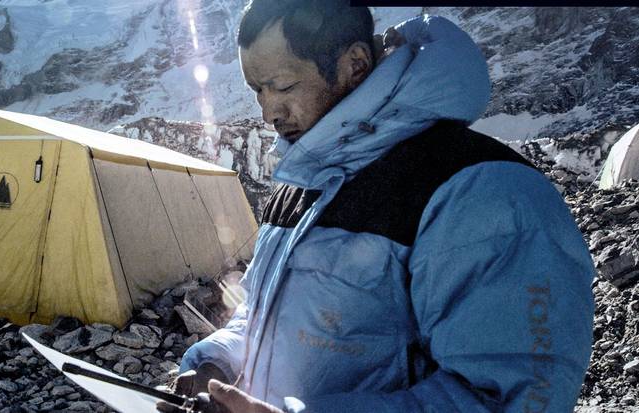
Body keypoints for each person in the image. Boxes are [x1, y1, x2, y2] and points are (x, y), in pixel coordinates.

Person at [162, 1, 595, 412]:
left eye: (284, 86)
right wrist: (214, 365)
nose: (268, 111)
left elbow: (507, 396)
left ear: (354, 65)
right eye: (258, 90)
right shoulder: (300, 186)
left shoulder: (480, 190)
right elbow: (259, 320)